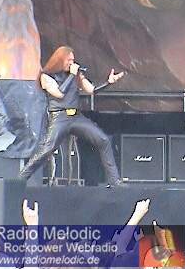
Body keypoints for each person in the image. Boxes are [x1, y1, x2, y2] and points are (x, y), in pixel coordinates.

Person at [19, 46, 125, 187]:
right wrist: (71, 75)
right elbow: (59, 94)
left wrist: (108, 83)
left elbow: (91, 90)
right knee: (46, 150)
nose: (72, 63)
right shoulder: (47, 76)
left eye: (73, 60)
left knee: (103, 140)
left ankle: (115, 181)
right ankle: (19, 179)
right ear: (60, 60)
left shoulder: (75, 74)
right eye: (68, 60)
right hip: (59, 117)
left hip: (76, 117)